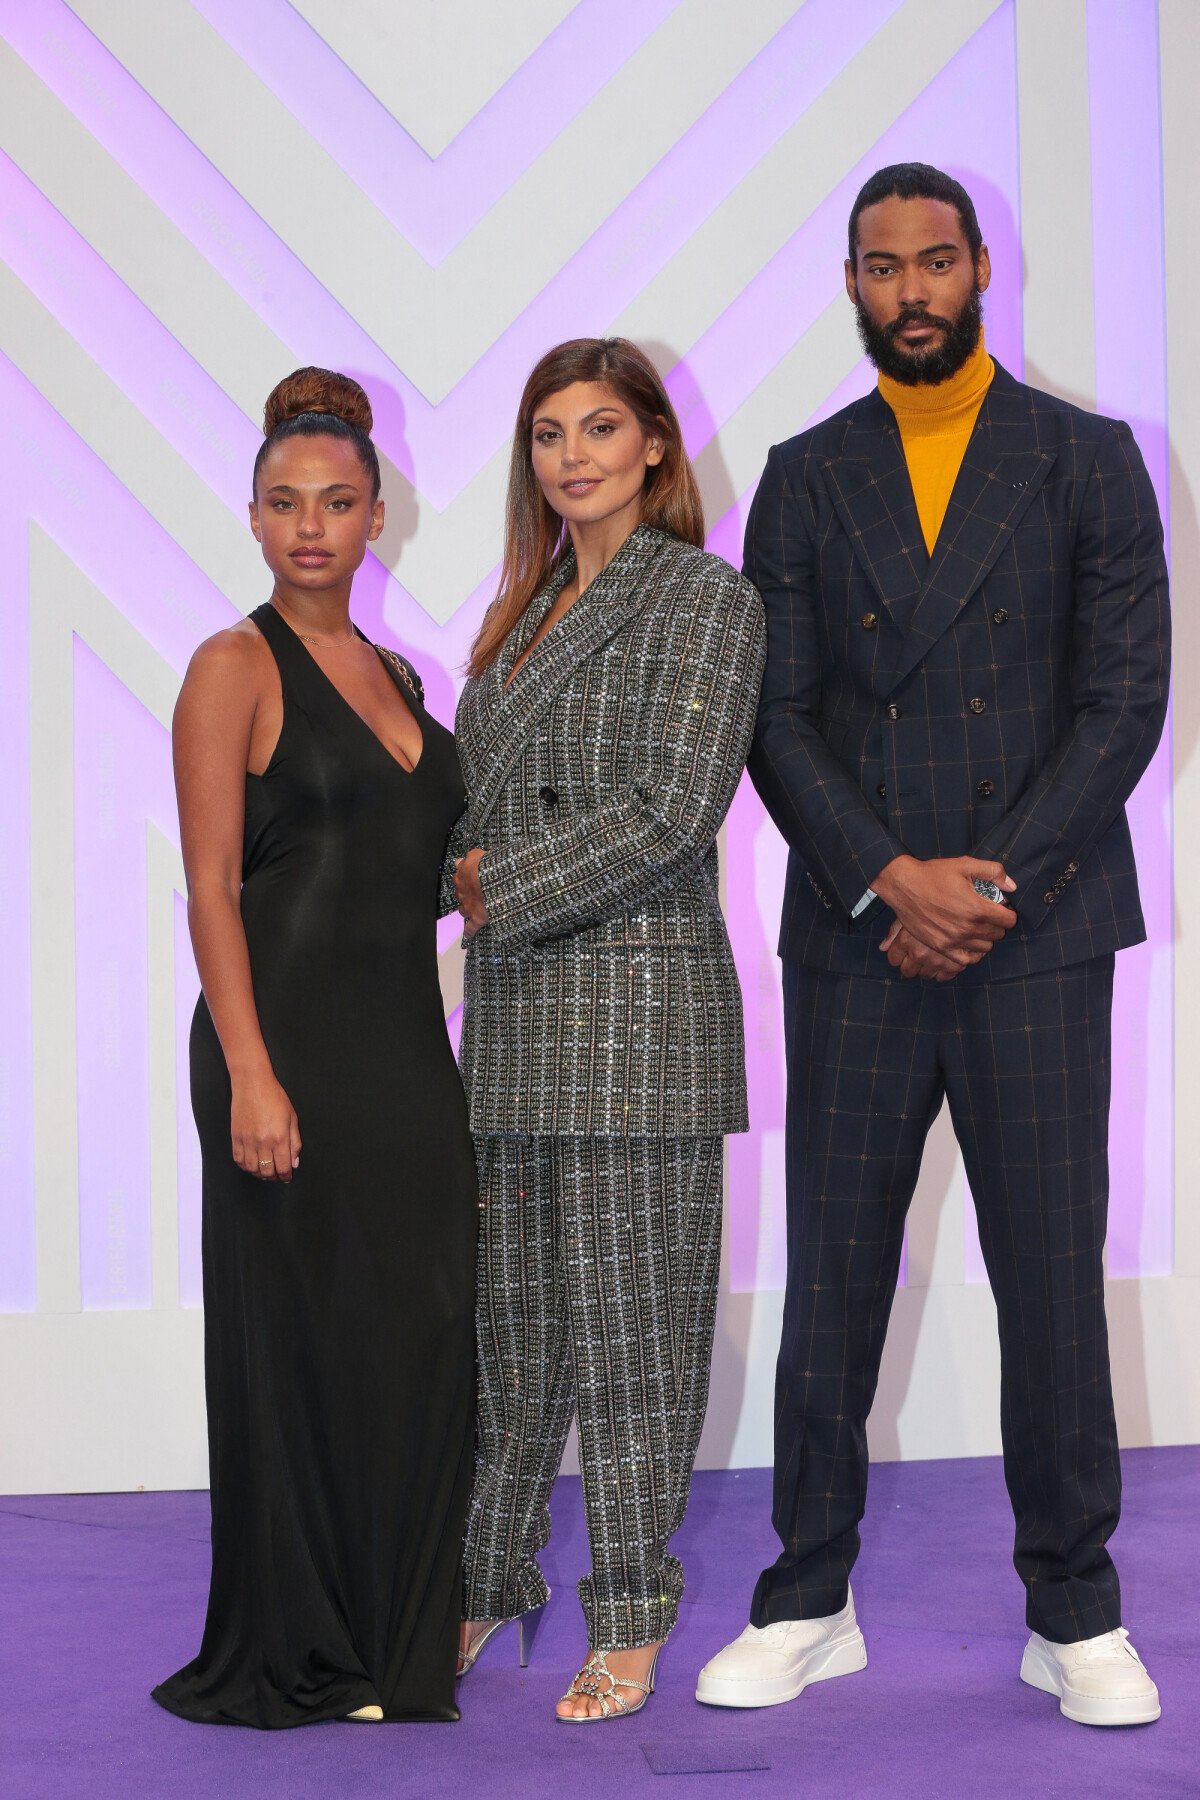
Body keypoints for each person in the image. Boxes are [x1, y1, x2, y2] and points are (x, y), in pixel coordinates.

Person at [696, 164, 1169, 1728]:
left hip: (1035, 937)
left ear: (982, 272)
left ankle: (1076, 1612)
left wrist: (986, 886)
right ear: (851, 285)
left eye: (937, 261)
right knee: (832, 1277)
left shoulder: (1088, 461)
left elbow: (1126, 703)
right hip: (859, 937)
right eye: (883, 267)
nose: (912, 289)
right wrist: (889, 878)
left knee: (1047, 1277)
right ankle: (808, 1598)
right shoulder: (806, 473)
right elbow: (777, 713)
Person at [153, 368, 477, 1727]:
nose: (310, 528)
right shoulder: (232, 665)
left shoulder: (401, 673)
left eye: (337, 503)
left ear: (378, 516)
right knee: (300, 1350)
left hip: (406, 1055)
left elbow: (430, 871)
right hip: (276, 1051)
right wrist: (253, 1071)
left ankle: (400, 1636)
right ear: (250, 518)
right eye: (284, 504)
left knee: (417, 1339)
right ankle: (308, 1651)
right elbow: (211, 888)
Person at [448, 337, 765, 1722]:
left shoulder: (706, 599)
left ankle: (632, 1614)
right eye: (546, 434)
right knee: (510, 1341)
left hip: (639, 1030)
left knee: (636, 1345)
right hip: (515, 1023)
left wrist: (488, 888)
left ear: (652, 446)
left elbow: (671, 810)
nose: (571, 455)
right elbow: (475, 806)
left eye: (599, 428)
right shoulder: (514, 618)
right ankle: (480, 1579)